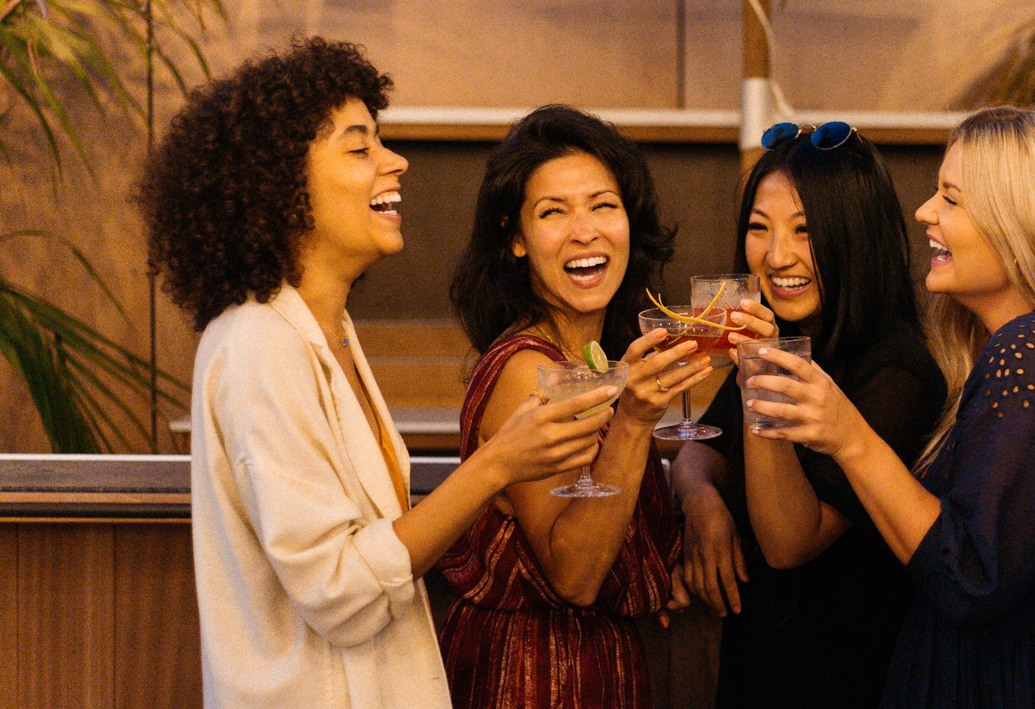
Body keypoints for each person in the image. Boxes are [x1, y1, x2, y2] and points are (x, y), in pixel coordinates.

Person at [139, 39, 620, 709]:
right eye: (360, 146)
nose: (396, 161)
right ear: (281, 182)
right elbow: (340, 593)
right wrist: (497, 465)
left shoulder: (326, 333)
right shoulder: (258, 346)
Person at [746, 105, 1035, 709]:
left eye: (951, 198)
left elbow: (971, 577)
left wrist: (848, 436)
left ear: (1025, 224)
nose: (925, 212)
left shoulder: (1034, 353)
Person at [438, 104, 712, 709]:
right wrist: (638, 421)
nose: (584, 230)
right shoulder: (526, 368)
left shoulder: (592, 356)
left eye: (603, 205)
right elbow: (576, 575)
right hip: (535, 675)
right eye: (553, 212)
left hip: (596, 665)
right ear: (515, 239)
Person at [672, 121, 947, 709]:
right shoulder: (789, 335)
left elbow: (789, 542)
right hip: (759, 661)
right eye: (758, 229)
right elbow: (700, 450)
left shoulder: (897, 373)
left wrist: (758, 372)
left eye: (807, 230)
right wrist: (701, 505)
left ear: (856, 236)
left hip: (843, 675)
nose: (777, 257)